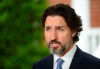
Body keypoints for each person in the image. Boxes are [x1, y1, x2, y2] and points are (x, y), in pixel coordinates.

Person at [32, 3, 100, 69]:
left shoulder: (95, 66)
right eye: (48, 29)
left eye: (60, 29)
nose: (53, 37)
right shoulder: (39, 66)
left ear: (73, 31)